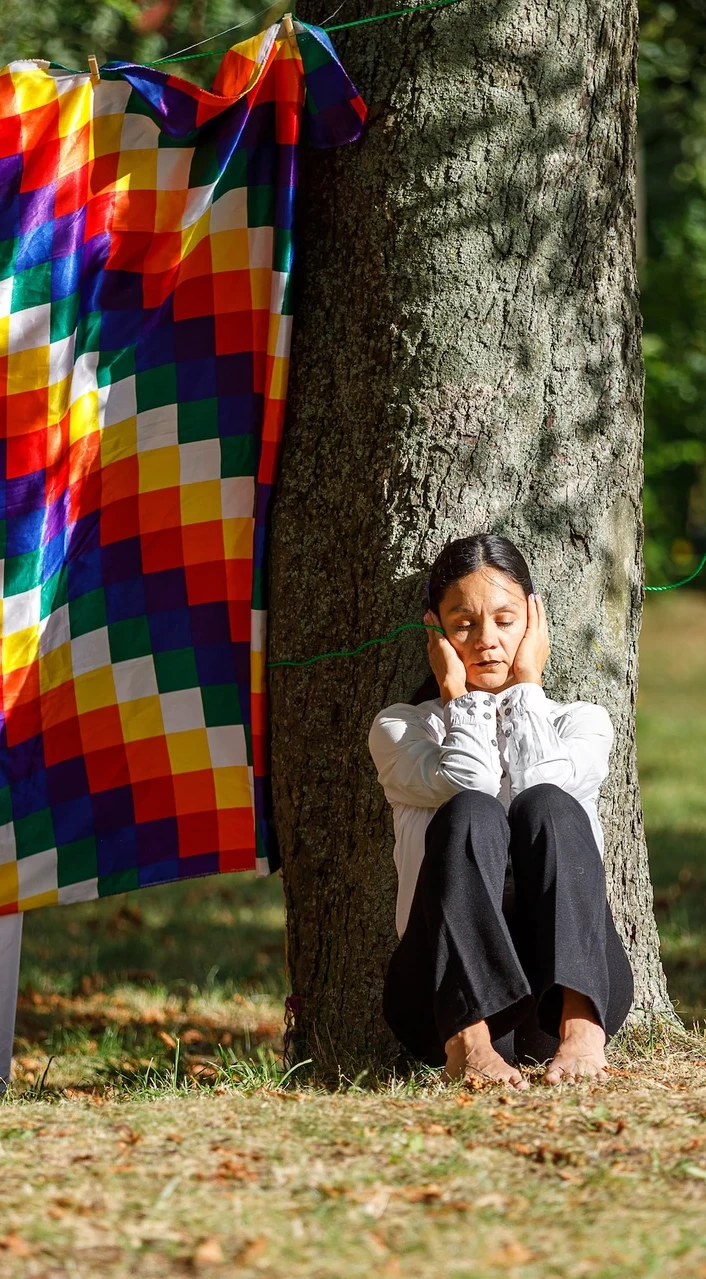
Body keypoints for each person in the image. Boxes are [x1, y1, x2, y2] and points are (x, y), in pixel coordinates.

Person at [367, 534, 634, 1090]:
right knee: (471, 813)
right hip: (443, 1008)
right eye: (463, 624)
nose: (487, 641)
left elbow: (542, 787)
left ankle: (584, 1033)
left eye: (507, 620)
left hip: (557, 1003)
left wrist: (528, 687)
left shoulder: (581, 723)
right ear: (435, 632)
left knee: (548, 804)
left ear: (534, 624)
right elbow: (475, 782)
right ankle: (472, 1046)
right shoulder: (402, 729)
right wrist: (459, 697)